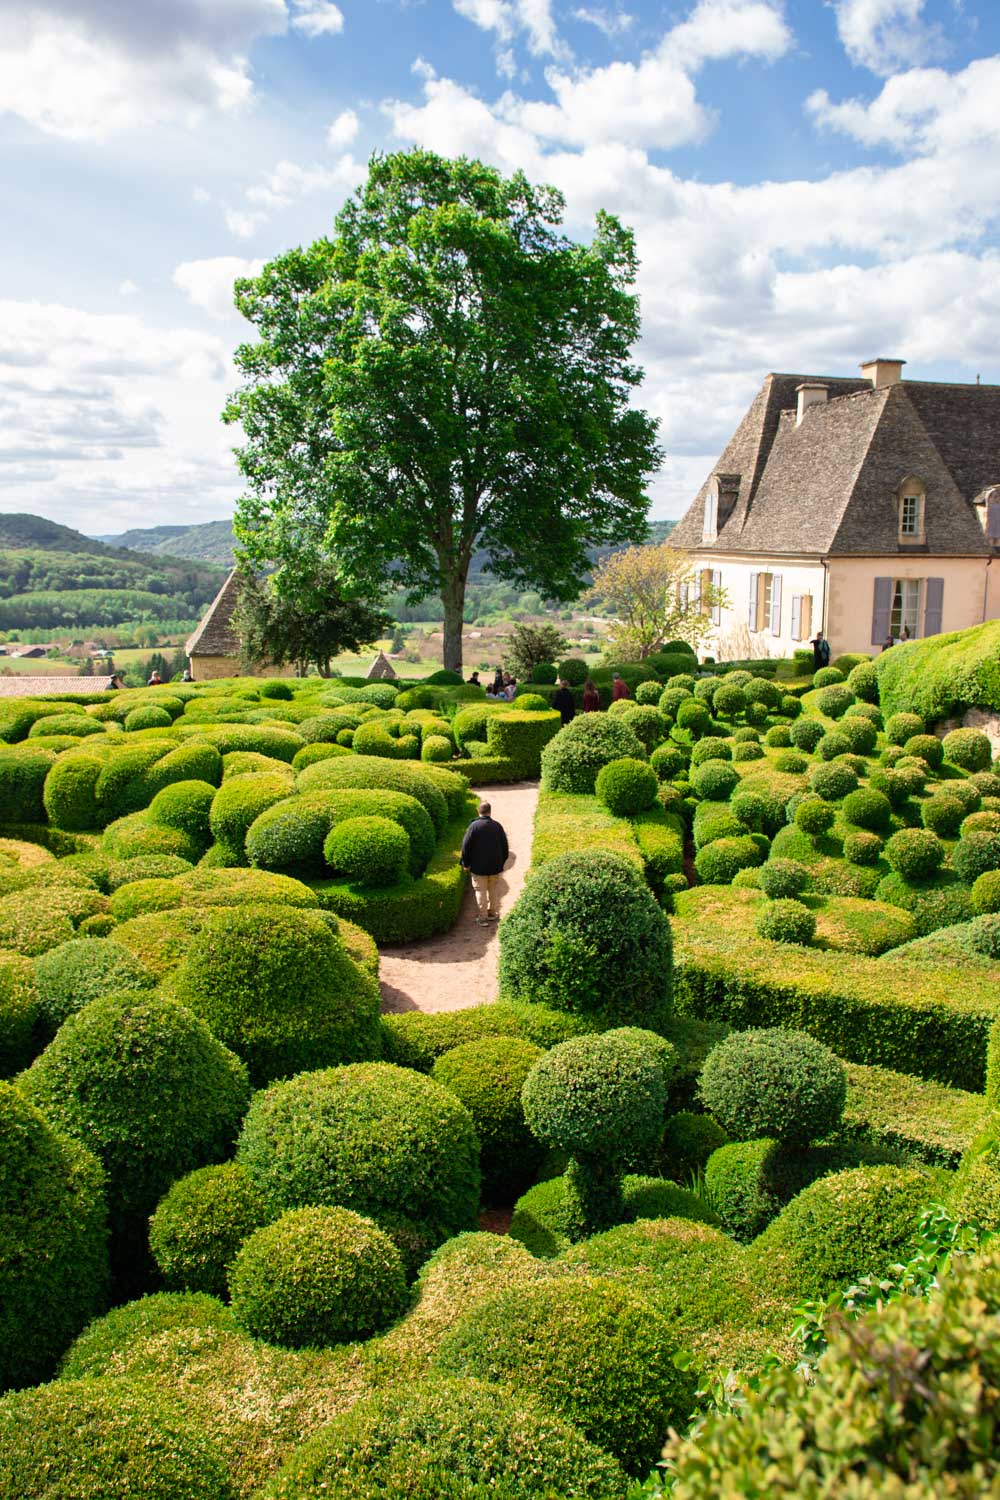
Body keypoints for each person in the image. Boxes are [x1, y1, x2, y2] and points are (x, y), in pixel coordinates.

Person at [460, 800, 510, 926]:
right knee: (492, 889)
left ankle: (482, 918)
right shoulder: (497, 826)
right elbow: (505, 846)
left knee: (480, 891)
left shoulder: (473, 827)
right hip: (495, 866)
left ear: (478, 811)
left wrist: (465, 863)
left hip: (478, 866)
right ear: (490, 811)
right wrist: (501, 862)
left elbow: (465, 846)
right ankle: (492, 913)